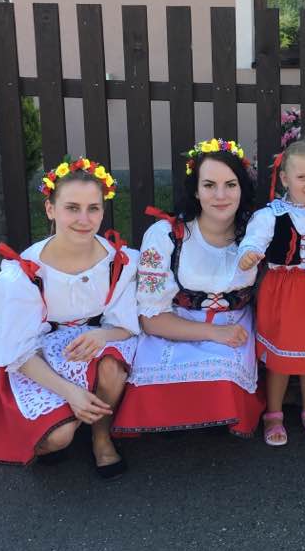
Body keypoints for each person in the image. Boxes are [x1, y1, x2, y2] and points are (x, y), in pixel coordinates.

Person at [0, 157, 138, 479]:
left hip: (96, 342)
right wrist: (70, 392)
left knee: (112, 366)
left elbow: (127, 325)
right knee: (56, 440)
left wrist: (102, 335)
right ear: (50, 209)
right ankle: (68, 420)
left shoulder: (118, 262)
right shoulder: (24, 272)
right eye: (72, 208)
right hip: (41, 355)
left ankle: (101, 437)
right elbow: (18, 351)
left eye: (93, 208)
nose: (84, 219)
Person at [112, 139, 264, 437]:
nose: (220, 195)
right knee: (154, 380)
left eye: (230, 185)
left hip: (234, 324)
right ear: (195, 190)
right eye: (209, 185)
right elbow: (151, 319)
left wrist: (225, 333)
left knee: (222, 377)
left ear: (242, 188)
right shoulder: (166, 235)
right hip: (174, 325)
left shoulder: (256, 233)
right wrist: (214, 333)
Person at [237, 139, 305, 446]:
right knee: (280, 359)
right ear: (285, 178)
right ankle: (274, 413)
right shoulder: (272, 215)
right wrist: (249, 253)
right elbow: (254, 240)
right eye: (302, 177)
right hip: (286, 293)